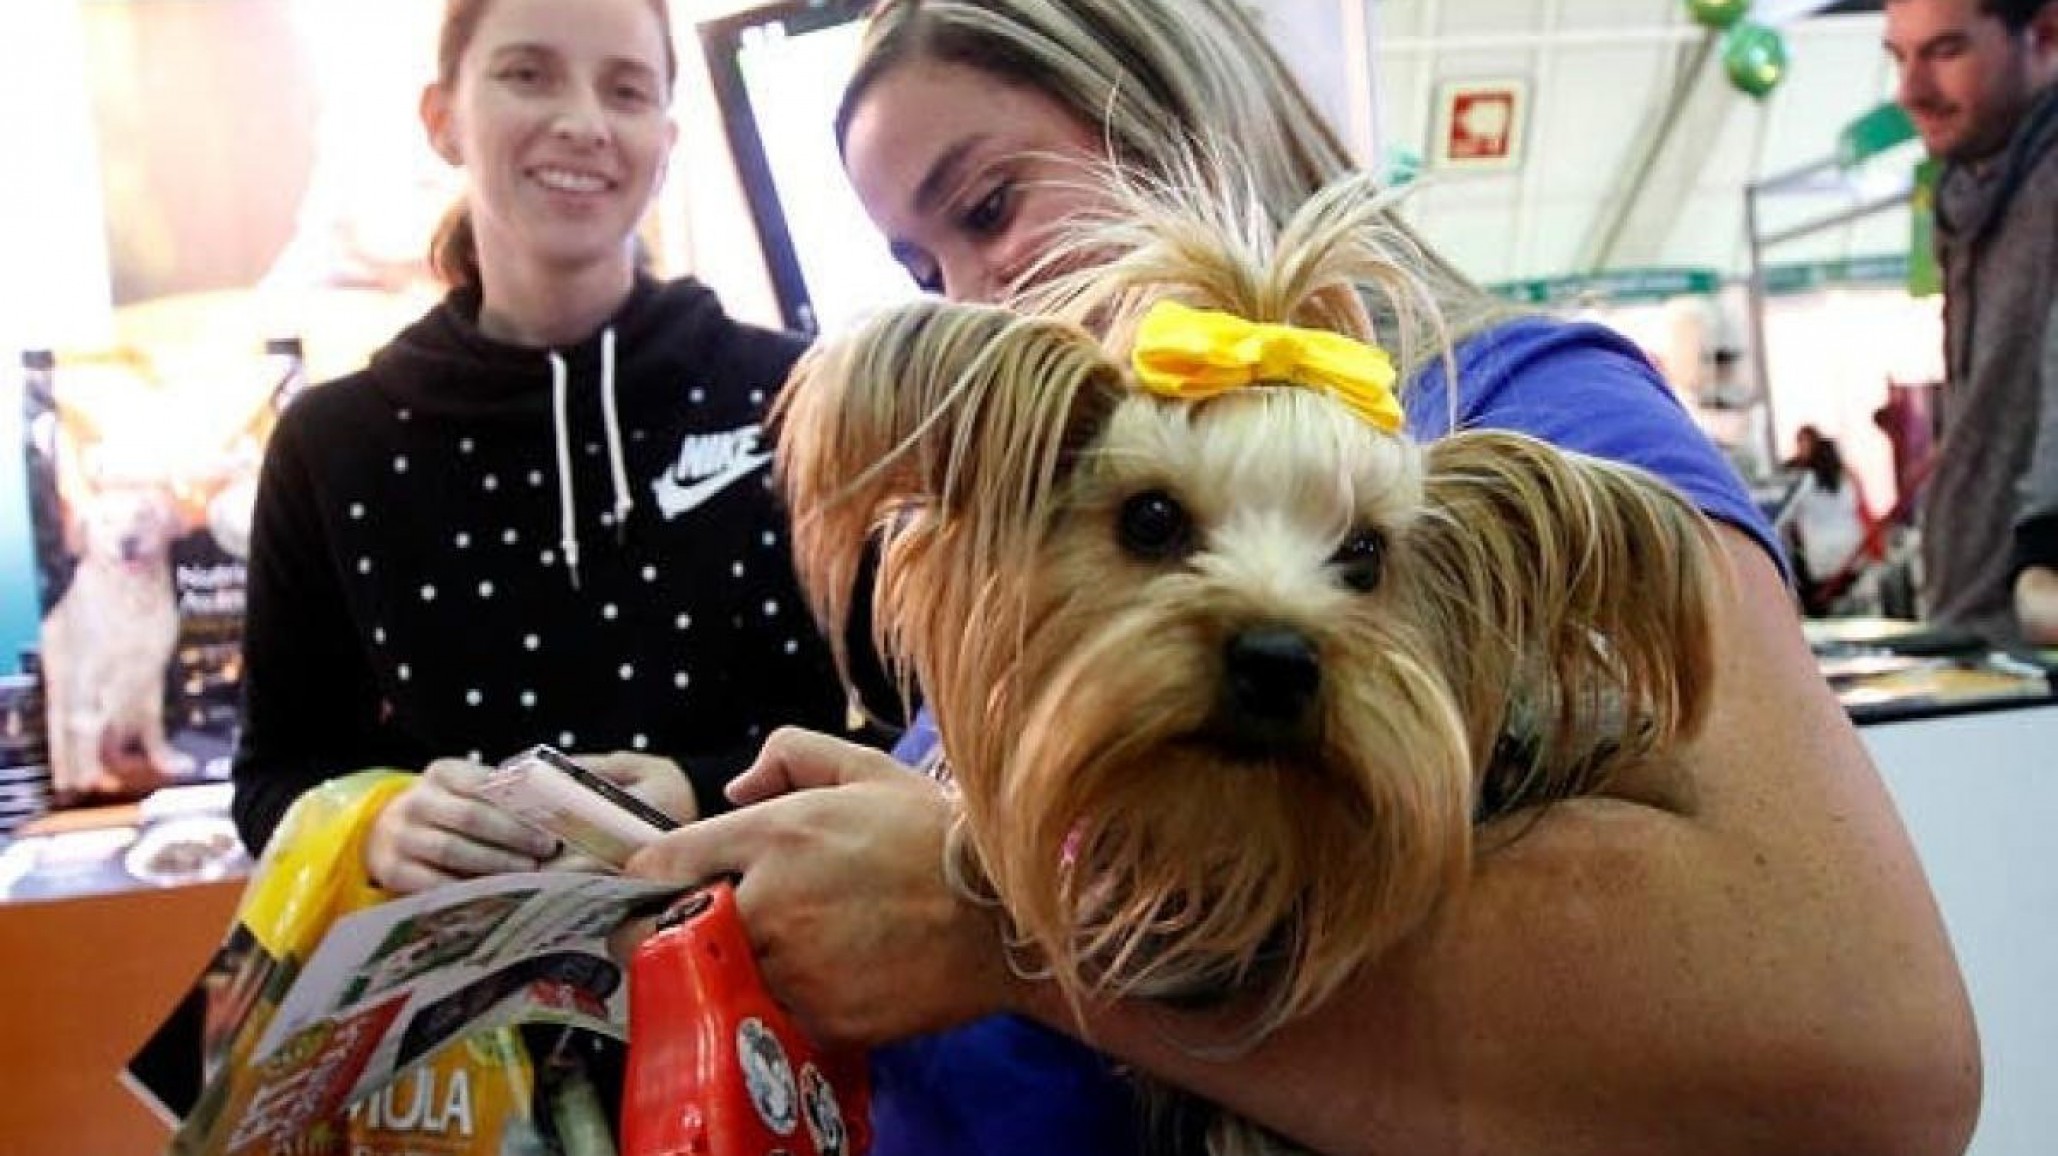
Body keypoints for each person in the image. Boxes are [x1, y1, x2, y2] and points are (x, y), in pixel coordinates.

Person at [629, 2, 1981, 1154]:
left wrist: (987, 922)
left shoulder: (1516, 401)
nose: (980, 292)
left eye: (989, 206)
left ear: (1172, 110)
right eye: (924, 268)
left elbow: (1867, 1043)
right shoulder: (1044, 481)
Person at [233, 0, 865, 955]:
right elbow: (272, 777)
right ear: (442, 118)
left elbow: (911, 738)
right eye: (529, 73)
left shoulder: (799, 396)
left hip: (776, 1019)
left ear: (665, 138)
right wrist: (378, 824)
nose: (583, 121)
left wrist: (701, 791)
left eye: (626, 89)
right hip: (462, 1068)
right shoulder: (331, 444)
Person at [1885, 0, 2058, 644]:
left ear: (2043, 34)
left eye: (1945, 51)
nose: (1911, 91)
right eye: (1899, 57)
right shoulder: (1969, 192)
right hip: (1984, 636)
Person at [1779, 425, 1878, 615]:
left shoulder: (1801, 483)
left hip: (1820, 560)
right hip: (1852, 554)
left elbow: (1785, 519)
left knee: (1824, 614)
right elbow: (1862, 510)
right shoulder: (1848, 476)